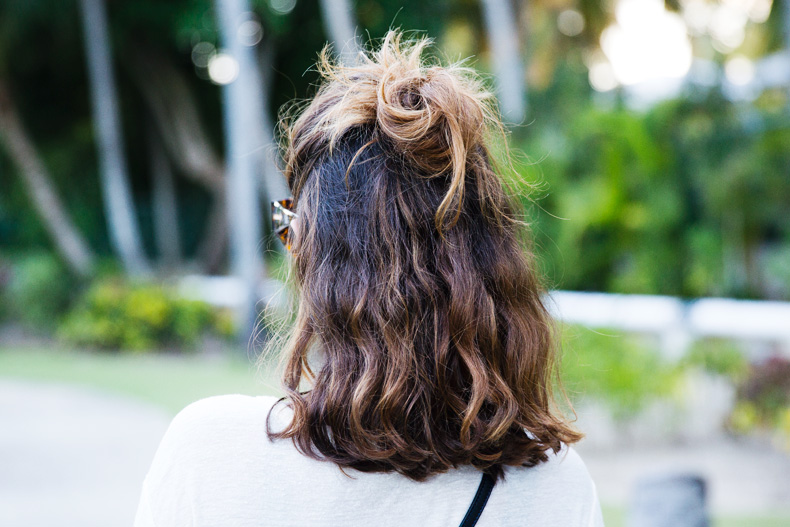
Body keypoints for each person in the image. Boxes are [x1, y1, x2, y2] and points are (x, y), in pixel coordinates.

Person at [134, 31, 604, 527]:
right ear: (494, 274)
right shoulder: (553, 489)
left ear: (327, 273)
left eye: (291, 225)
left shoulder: (208, 448)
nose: (289, 243)